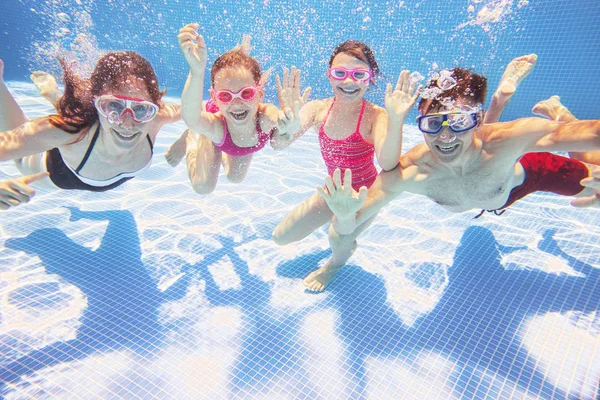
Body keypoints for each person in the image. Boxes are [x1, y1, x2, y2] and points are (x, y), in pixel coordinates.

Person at [312, 66, 600, 292]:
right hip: (491, 186)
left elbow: (593, 134)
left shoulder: (505, 140)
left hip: (527, 174)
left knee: (590, 163)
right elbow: (344, 232)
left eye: (460, 121)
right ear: (421, 124)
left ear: (477, 119)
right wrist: (345, 217)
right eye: (433, 123)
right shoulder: (413, 172)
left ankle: (558, 112)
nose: (445, 136)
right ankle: (500, 101)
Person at [271, 40, 422, 290]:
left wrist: (396, 119)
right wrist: (284, 128)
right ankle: (342, 235)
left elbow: (388, 162)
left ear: (369, 78)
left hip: (364, 197)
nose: (348, 82)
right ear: (330, 76)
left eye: (359, 74)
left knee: (337, 238)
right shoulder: (318, 109)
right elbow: (278, 144)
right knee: (281, 237)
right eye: (340, 73)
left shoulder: (375, 115)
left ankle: (335, 264)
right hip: (332, 192)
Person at [0, 53, 181, 210]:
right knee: (18, 137)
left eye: (141, 109)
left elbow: (198, 111)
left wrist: (186, 139)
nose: (128, 124)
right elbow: (7, 142)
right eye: (114, 106)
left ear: (154, 106)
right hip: (47, 171)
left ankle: (56, 97)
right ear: (96, 103)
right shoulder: (70, 131)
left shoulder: (155, 118)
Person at [164, 24, 303, 194]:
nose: (236, 103)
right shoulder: (217, 126)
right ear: (214, 98)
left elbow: (277, 124)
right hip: (215, 136)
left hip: (233, 144)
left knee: (235, 178)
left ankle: (200, 134)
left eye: (246, 93)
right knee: (203, 186)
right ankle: (190, 139)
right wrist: (196, 71)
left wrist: (288, 124)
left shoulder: (264, 116)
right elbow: (191, 118)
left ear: (260, 94)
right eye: (225, 96)